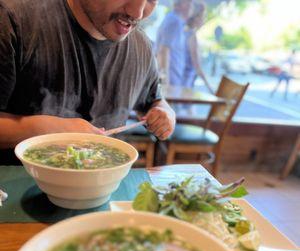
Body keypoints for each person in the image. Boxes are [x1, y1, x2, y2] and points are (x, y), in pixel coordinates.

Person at [0, 0, 176, 155]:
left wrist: (165, 113)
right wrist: (55, 130)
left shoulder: (140, 47)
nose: (137, 12)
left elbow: (154, 102)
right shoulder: (14, 19)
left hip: (104, 183)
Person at [155, 0, 194, 85]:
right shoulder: (174, 21)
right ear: (178, 4)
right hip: (171, 81)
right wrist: (166, 82)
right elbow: (163, 50)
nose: (191, 6)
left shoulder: (177, 21)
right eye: (187, 2)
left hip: (174, 79)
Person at [183, 2, 214, 93]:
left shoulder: (183, 32)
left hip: (181, 81)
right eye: (203, 16)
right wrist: (209, 87)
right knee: (185, 106)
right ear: (195, 18)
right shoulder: (192, 36)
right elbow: (197, 65)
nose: (204, 20)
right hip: (185, 82)